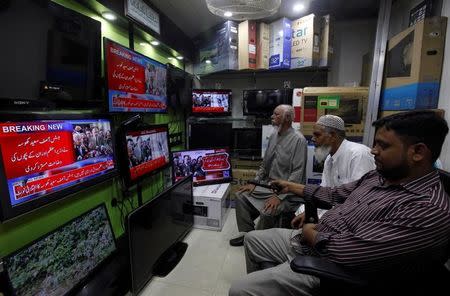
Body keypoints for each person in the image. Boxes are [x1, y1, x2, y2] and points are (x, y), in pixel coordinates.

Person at [229, 110, 450, 296]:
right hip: (316, 237)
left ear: (418, 152)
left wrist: (309, 233)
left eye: (383, 146)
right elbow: (335, 193)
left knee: (239, 290)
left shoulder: (426, 209)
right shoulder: (380, 177)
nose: (373, 151)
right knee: (253, 239)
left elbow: (348, 252)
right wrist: (291, 187)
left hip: (332, 266)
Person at [229, 104, 307, 247]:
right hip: (268, 187)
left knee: (268, 210)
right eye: (273, 113)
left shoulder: (298, 140)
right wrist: (255, 182)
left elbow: (298, 172)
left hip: (287, 193)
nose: (272, 116)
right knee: (240, 196)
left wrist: (279, 196)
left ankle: (258, 242)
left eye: (276, 114)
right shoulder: (273, 136)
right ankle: (247, 234)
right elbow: (265, 165)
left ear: (288, 118)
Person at [296, 114, 376, 219]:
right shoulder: (329, 159)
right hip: (334, 212)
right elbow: (324, 193)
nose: (313, 139)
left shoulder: (358, 154)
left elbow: (359, 200)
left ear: (333, 136)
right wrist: (309, 212)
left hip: (353, 217)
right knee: (302, 211)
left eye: (317, 135)